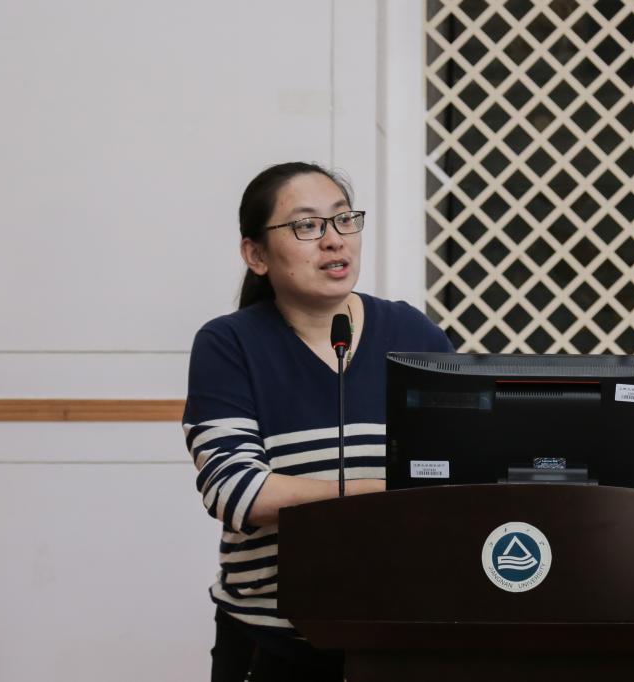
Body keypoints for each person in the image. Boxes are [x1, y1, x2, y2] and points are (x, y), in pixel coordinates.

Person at [182, 162, 453, 681]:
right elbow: (238, 493)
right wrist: (387, 492)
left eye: (344, 219)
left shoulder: (411, 333)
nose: (334, 240)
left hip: (402, 636)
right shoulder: (229, 344)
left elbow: (461, 471)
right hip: (273, 641)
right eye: (306, 225)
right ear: (256, 255)